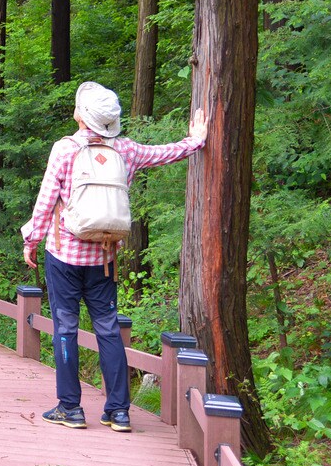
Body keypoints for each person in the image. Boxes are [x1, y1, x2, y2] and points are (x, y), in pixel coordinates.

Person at [21, 81, 207, 432]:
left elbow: (46, 202)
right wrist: (195, 139)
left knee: (66, 328)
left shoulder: (64, 150)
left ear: (81, 117)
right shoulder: (127, 149)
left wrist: (31, 240)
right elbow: (167, 152)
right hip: (104, 259)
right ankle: (119, 411)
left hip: (63, 257)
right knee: (108, 329)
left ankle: (70, 408)